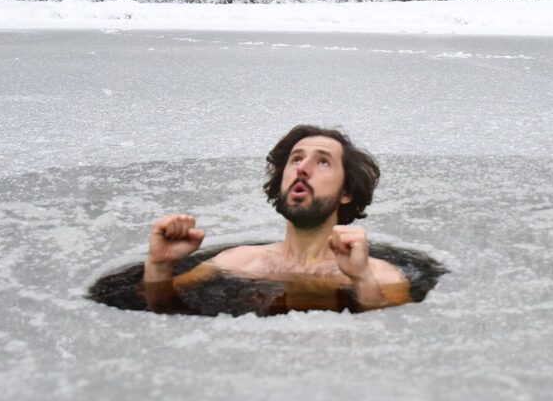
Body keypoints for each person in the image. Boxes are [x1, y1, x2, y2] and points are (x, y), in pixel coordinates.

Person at [142, 124, 411, 313]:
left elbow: (390, 339)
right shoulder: (236, 262)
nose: (302, 169)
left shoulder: (382, 276)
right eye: (295, 160)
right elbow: (163, 312)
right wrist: (160, 265)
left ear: (347, 192)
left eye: (323, 162)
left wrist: (362, 281)